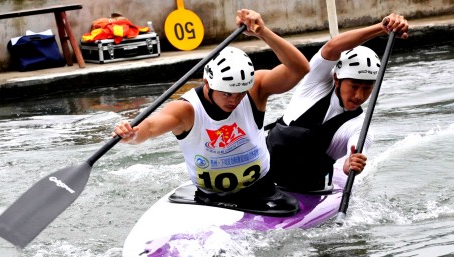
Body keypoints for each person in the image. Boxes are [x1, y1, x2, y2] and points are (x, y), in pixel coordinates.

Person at [113, 9, 309, 212]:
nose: (234, 100)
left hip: (260, 190)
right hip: (209, 198)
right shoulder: (186, 109)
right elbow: (151, 127)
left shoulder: (255, 89)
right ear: (208, 83)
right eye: (226, 94)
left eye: (240, 93)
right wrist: (132, 134)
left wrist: (263, 32)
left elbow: (300, 69)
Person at [266, 13, 409, 193]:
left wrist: (351, 164)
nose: (359, 95)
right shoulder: (315, 82)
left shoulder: (359, 127)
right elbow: (333, 47)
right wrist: (382, 28)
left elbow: (354, 153)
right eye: (354, 86)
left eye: (367, 88)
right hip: (262, 175)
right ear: (336, 78)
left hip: (306, 191)